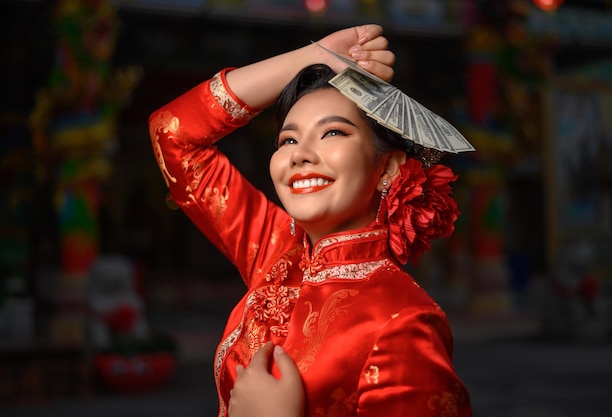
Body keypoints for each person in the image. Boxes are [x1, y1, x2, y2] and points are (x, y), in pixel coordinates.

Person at [148, 24, 472, 417]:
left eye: (332, 132)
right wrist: (314, 57)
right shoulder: (275, 251)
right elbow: (173, 133)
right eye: (288, 139)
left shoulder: (404, 321)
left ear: (388, 168)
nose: (300, 155)